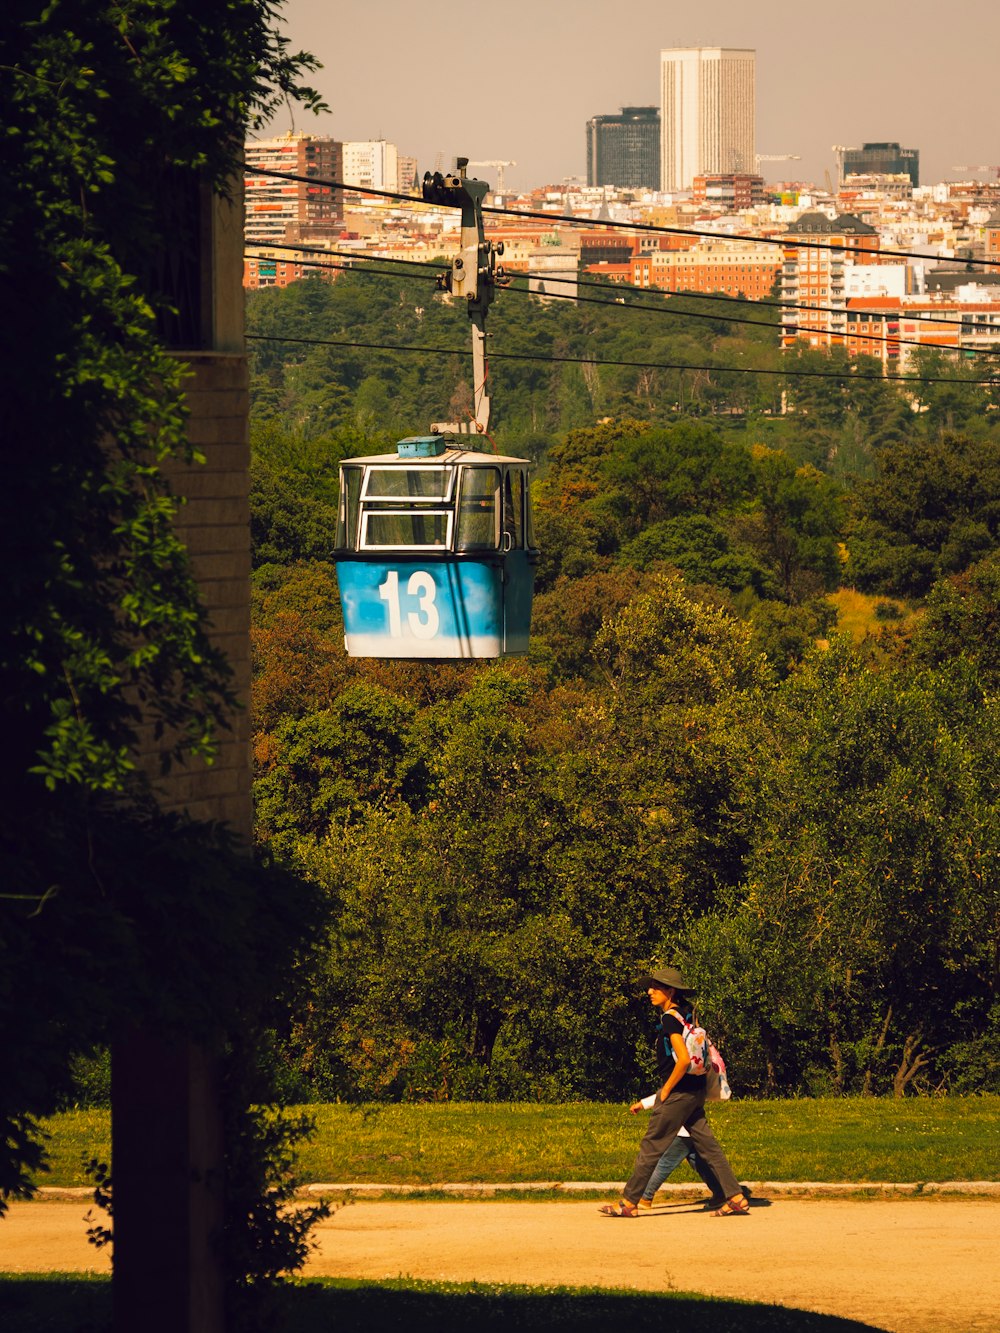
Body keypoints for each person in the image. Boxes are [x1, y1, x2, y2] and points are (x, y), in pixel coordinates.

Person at [599, 966, 749, 1218]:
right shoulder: (687, 1015)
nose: (649, 992)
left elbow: (682, 1060)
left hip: (678, 1093)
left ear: (669, 991)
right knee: (708, 1146)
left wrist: (666, 1090)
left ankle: (629, 1203)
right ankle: (735, 1197)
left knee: (651, 1145)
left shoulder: (669, 1018)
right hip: (695, 1091)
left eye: (655, 987)